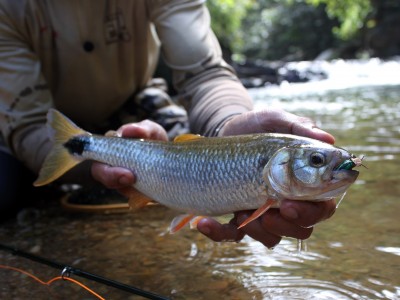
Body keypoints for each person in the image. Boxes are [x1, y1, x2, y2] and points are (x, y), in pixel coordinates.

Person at [0, 0, 336, 248]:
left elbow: (204, 73)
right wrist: (89, 171)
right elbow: (28, 123)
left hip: (137, 107)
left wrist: (227, 129)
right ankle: (85, 165)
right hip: (30, 123)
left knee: (182, 165)